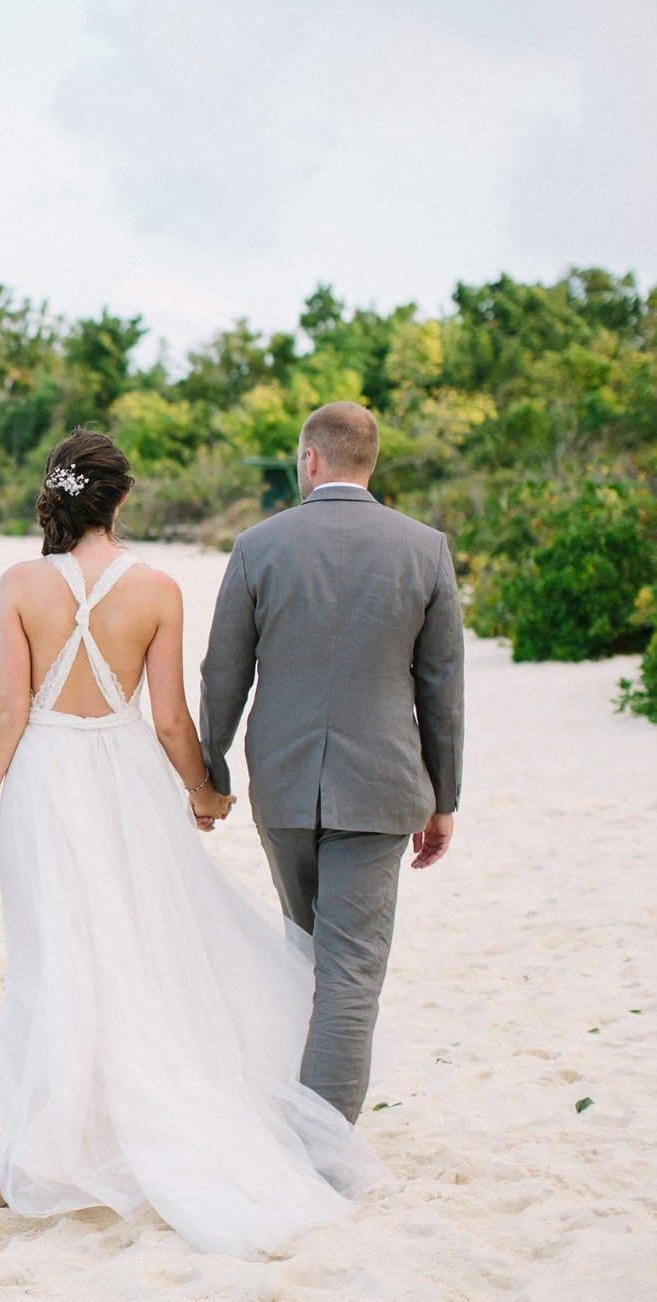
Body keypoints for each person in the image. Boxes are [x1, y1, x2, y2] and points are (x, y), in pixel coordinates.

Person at [0, 428, 393, 1257]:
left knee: (52, 958)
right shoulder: (156, 588)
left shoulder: (18, 583)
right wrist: (203, 789)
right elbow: (170, 719)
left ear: (57, 494)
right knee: (139, 954)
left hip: (46, 784)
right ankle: (98, 1139)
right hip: (126, 784)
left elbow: (8, 711)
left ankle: (40, 1155)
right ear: (120, 499)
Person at [200, 400, 465, 1128]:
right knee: (350, 972)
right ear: (369, 461)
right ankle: (322, 1147)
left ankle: (303, 1122)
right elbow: (442, 686)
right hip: (382, 788)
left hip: (282, 786)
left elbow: (223, 673)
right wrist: (445, 798)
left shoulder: (258, 545)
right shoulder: (425, 548)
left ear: (310, 459)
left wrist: (211, 770)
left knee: (307, 953)